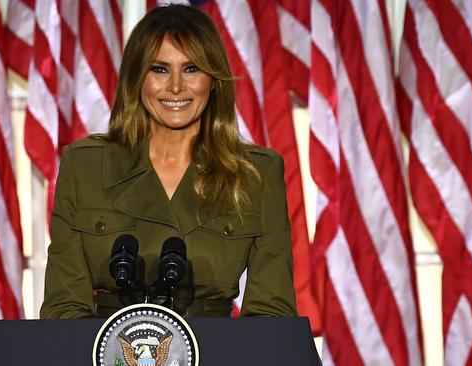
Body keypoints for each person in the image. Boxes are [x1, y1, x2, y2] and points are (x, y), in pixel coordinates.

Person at [40, 4, 297, 319]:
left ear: (213, 79)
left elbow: (270, 317)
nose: (176, 86)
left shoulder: (257, 174)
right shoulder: (85, 168)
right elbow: (63, 308)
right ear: (137, 78)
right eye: (159, 69)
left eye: (191, 68)